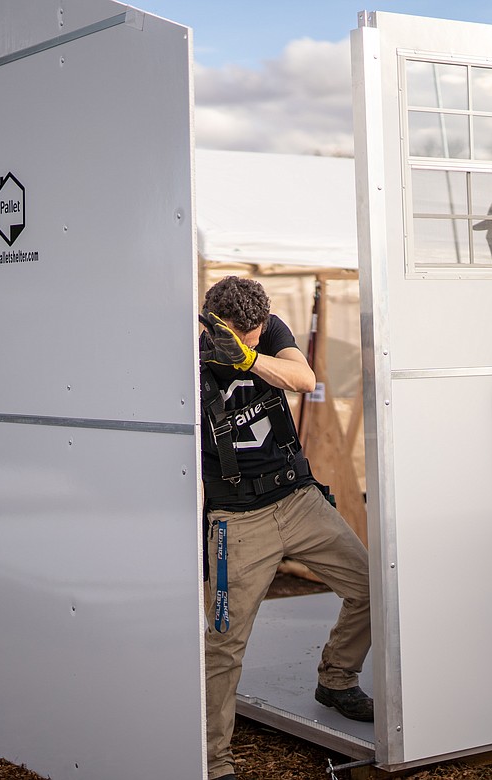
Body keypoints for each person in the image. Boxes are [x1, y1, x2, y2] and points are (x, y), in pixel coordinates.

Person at [198, 276, 372, 780]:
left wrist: (250, 358)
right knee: (224, 643)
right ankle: (214, 763)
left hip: (297, 499)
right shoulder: (183, 352)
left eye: (256, 334)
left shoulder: (268, 330)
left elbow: (304, 379)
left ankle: (337, 680)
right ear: (213, 324)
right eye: (241, 336)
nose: (252, 340)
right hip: (237, 517)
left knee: (369, 587)